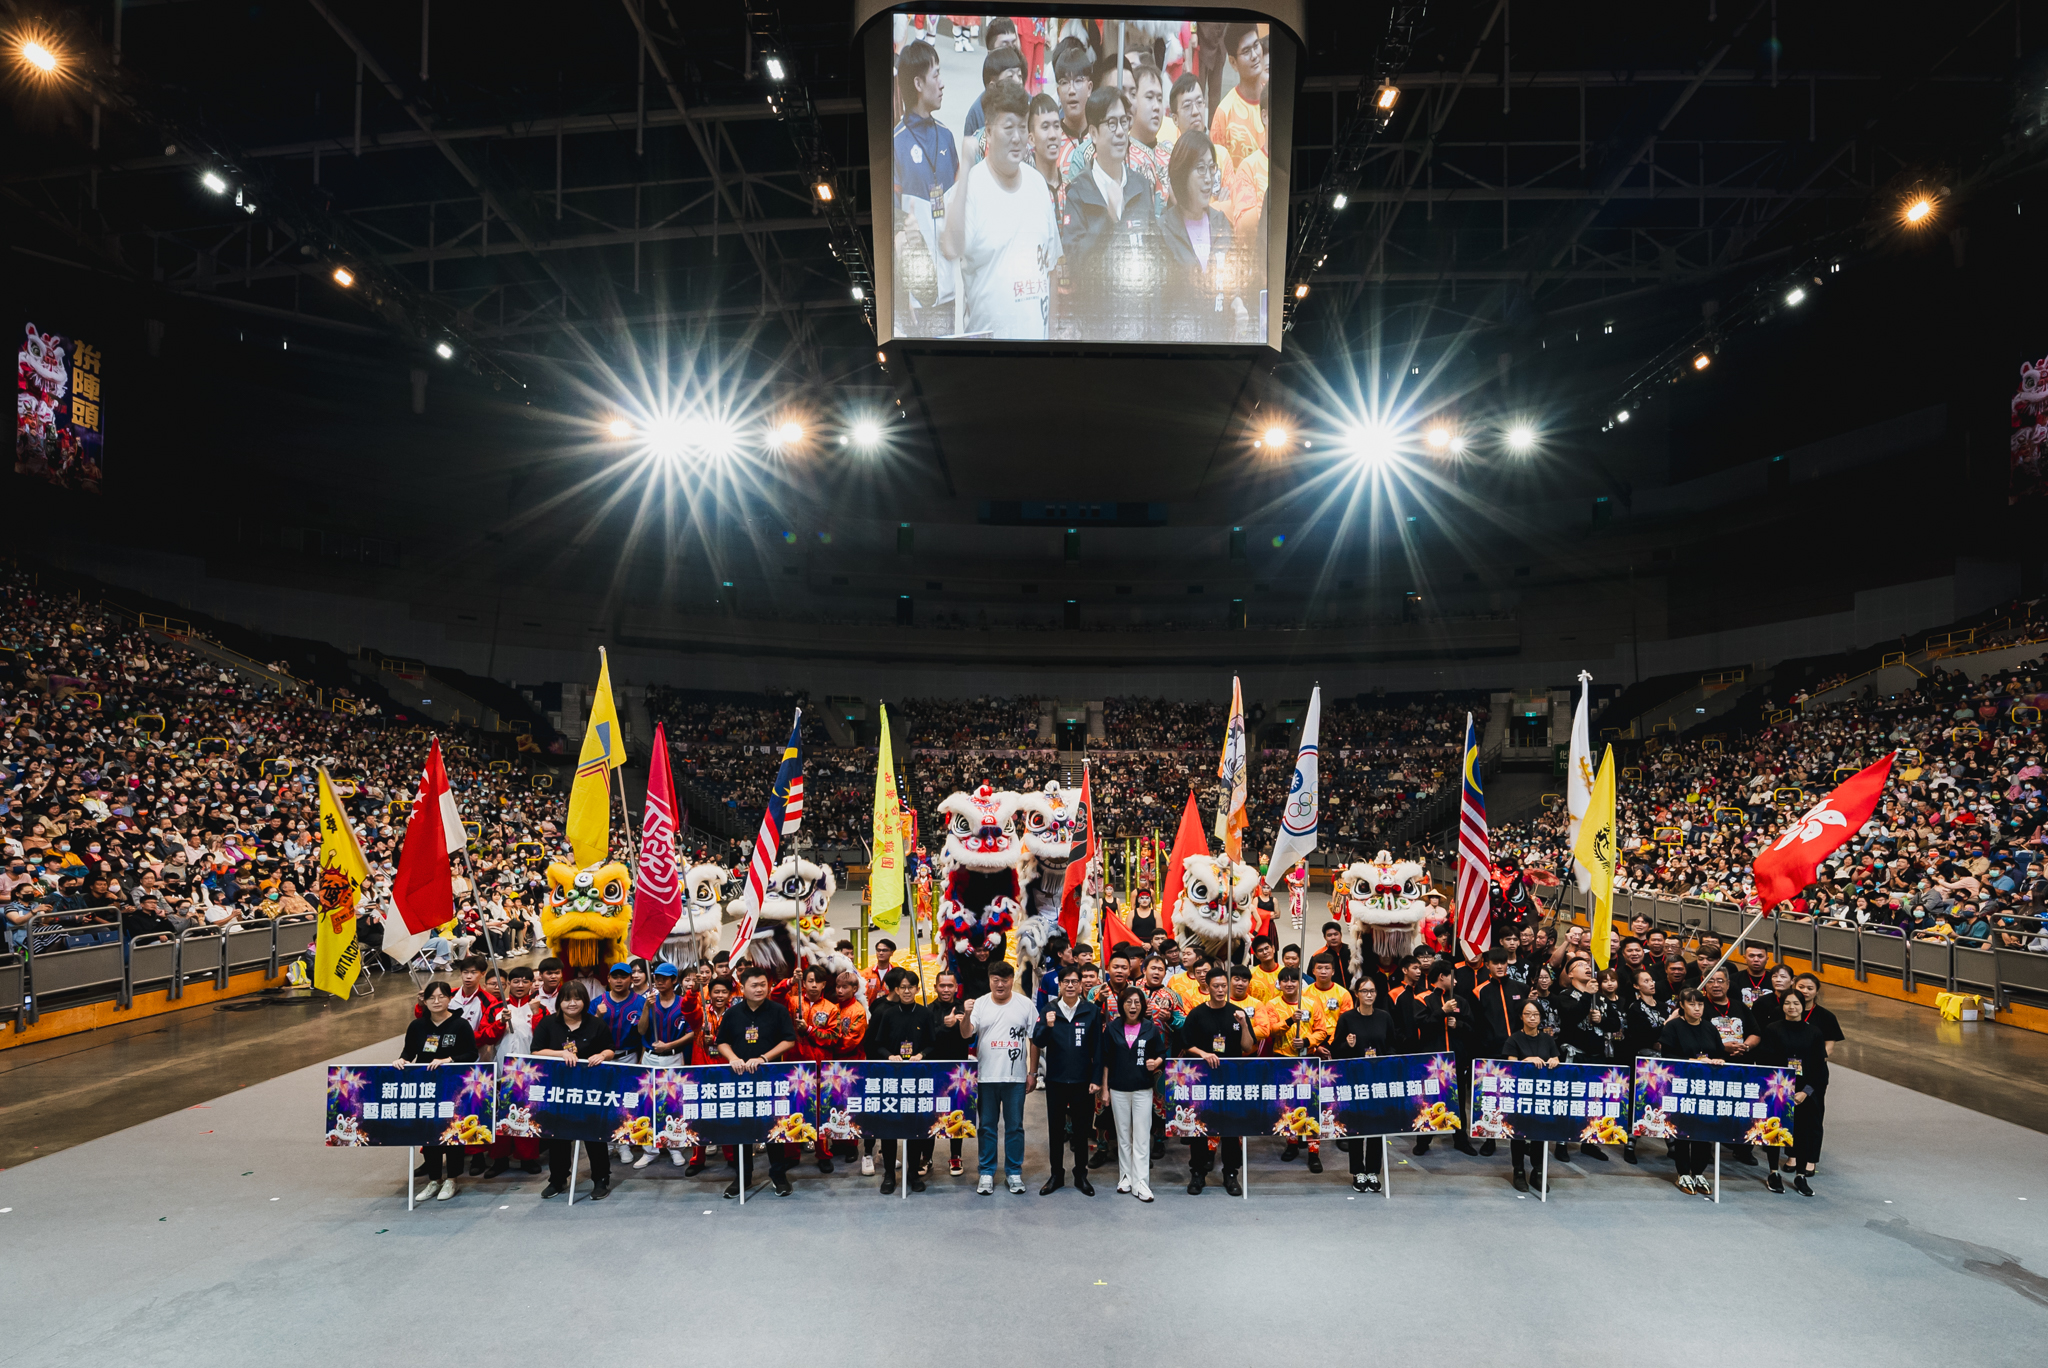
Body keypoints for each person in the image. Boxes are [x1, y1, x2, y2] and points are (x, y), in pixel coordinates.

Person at [941, 79, 1059, 340]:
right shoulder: (970, 188)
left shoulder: (1038, 184)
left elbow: (1051, 268)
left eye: (1021, 127)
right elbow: (950, 248)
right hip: (988, 356)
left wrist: (1051, 341)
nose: (1017, 138)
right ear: (989, 130)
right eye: (1008, 128)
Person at [1055, 87, 1160, 341]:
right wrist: (1109, 219)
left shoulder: (1140, 186)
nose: (1121, 132)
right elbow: (1076, 263)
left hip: (1140, 326)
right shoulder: (1079, 192)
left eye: (1124, 121)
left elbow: (1155, 254)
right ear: (1093, 133)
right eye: (1111, 124)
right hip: (1097, 329)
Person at [715, 965, 799, 1198]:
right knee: (741, 1128)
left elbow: (789, 1040)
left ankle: (779, 1175)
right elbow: (721, 1041)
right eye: (754, 985)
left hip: (770, 1077)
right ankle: (743, 1177)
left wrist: (763, 1058)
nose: (760, 989)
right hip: (741, 1079)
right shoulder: (733, 1013)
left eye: (763, 984)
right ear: (742, 988)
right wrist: (733, 1058)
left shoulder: (778, 1011)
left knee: (774, 1126)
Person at [892, 38, 958, 328]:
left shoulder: (947, 137)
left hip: (955, 290)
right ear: (918, 84)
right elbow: (894, 225)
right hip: (918, 297)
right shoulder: (895, 144)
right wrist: (907, 287)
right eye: (936, 75)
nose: (942, 83)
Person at [530, 981, 617, 1201]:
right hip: (557, 1089)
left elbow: (610, 1049)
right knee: (558, 1135)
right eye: (567, 999)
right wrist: (561, 1054)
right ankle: (558, 1179)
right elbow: (536, 1051)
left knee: (594, 1135)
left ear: (584, 1001)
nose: (572, 1003)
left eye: (577, 999)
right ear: (560, 1002)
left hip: (590, 1090)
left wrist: (603, 1055)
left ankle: (601, 1179)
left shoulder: (596, 1024)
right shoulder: (548, 1023)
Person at [394, 980, 478, 1202]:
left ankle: (452, 1179)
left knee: (451, 1131)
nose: (437, 1001)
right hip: (426, 1087)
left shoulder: (460, 1025)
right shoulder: (417, 1026)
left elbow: (471, 1054)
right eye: (431, 997)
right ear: (425, 1001)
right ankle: (434, 1180)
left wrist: (448, 1059)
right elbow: (409, 1051)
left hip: (452, 1087)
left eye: (441, 996)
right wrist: (401, 1061)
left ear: (450, 999)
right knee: (428, 1132)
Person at [1177, 967, 1257, 1195]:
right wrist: (1203, 1053)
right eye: (1216, 986)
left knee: (1231, 1128)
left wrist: (1243, 1024)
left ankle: (1231, 1174)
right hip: (1202, 1080)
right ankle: (1198, 1174)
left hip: (1231, 1080)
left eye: (1224, 986)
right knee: (1199, 1127)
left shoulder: (1238, 1012)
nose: (1221, 990)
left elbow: (1246, 1046)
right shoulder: (1197, 1014)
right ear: (1207, 987)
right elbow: (1185, 1043)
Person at [962, 960, 1037, 1194]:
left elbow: (1035, 1039)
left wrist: (1032, 1072)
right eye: (996, 980)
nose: (1000, 984)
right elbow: (966, 1033)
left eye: (1005, 980)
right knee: (987, 1127)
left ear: (1012, 980)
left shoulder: (1025, 1005)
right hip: (986, 1078)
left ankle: (1014, 1173)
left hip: (1015, 1079)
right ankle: (986, 1172)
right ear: (989, 980)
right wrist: (966, 1014)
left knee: (1015, 1127)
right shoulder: (980, 1004)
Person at [1029, 965, 1102, 1195]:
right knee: (1056, 1130)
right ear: (1059, 985)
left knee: (1081, 1131)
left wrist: (1096, 1078)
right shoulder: (1049, 1009)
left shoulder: (1091, 1010)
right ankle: (1056, 1175)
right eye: (1066, 982)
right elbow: (1038, 1041)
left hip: (1083, 1081)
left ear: (1081, 985)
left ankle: (1080, 1174)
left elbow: (1098, 1048)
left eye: (1074, 981)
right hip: (1056, 1081)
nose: (1070, 985)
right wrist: (1048, 1026)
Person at [864, 966, 936, 1194]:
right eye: (902, 987)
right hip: (891, 1077)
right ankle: (888, 1175)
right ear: (896, 989)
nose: (906, 991)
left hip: (915, 1077)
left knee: (914, 1127)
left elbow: (933, 1044)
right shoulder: (887, 1013)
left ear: (916, 989)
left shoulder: (924, 1014)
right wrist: (889, 1055)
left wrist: (921, 1055)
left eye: (910, 987)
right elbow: (877, 1044)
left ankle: (913, 1173)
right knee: (890, 1127)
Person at [1096, 984, 1166, 1200]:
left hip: (1142, 1089)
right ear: (1121, 1005)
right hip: (1118, 1089)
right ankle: (1125, 1177)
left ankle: (1141, 1182)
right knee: (1123, 1135)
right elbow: (1106, 1061)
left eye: (1137, 1002)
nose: (1133, 1006)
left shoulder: (1150, 1028)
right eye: (1128, 1002)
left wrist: (1156, 1062)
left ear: (1143, 1005)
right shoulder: (1112, 1028)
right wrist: (1105, 1090)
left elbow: (1161, 1054)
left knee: (1142, 1135)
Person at [1756, 990, 1829, 1195]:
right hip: (1777, 1090)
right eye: (1787, 1003)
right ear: (1782, 1006)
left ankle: (1801, 1176)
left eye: (1796, 1003)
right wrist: (1780, 1090)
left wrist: (1806, 1092)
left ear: (1802, 1005)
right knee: (1774, 1132)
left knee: (1803, 1133)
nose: (1792, 1007)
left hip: (1804, 1093)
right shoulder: (1772, 1029)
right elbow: (1765, 1062)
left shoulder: (1814, 1032)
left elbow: (1819, 1068)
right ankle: (1773, 1172)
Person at [1657, 988, 1727, 1195]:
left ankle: (1698, 1172)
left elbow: (1720, 1053)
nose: (1697, 1008)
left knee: (1703, 1130)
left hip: (1706, 1087)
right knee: (1683, 1130)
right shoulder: (1673, 1027)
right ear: (1682, 1006)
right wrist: (1691, 1061)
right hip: (1681, 1086)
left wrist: (1718, 1060)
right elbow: (1667, 1056)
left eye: (1700, 1004)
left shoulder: (1709, 1027)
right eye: (1692, 1004)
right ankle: (1683, 1173)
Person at [485, 965, 548, 1177]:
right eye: (516, 981)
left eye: (525, 981)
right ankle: (499, 1159)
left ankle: (527, 1158)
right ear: (508, 984)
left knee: (526, 1115)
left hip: (529, 1071)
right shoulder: (496, 1008)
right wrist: (499, 1024)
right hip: (501, 1070)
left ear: (532, 984)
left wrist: (537, 1013)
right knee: (499, 1115)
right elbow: (486, 1036)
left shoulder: (540, 1008)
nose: (520, 985)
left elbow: (544, 1037)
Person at [1330, 976, 1391, 1192]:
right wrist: (1346, 1045)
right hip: (1355, 1080)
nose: (1369, 995)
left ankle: (1373, 1171)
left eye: (1372, 991)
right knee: (1356, 1127)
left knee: (1376, 1127)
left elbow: (1392, 1047)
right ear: (1357, 994)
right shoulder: (1347, 1018)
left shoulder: (1384, 1017)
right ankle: (1358, 1171)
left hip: (1379, 1080)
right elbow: (1335, 1051)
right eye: (1364, 991)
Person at [1503, 999, 1560, 1193]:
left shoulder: (1547, 1039)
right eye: (1528, 1014)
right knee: (1517, 1131)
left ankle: (1537, 1171)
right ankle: (1518, 1170)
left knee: (1541, 1131)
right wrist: (1526, 1060)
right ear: (1521, 1017)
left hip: (1543, 1094)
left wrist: (1553, 1060)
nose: (1532, 1018)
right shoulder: (1514, 1039)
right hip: (1521, 1093)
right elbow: (1511, 1066)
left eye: (1535, 1014)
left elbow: (1556, 1057)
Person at [926, 970, 973, 1176]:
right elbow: (926, 1040)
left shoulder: (965, 1008)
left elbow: (970, 1039)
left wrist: (961, 1021)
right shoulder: (928, 1010)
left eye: (950, 986)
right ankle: (926, 1158)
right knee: (931, 1114)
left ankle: (955, 1157)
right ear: (935, 987)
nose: (946, 990)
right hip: (934, 1069)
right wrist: (944, 1027)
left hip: (958, 1071)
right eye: (942, 985)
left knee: (957, 1114)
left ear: (956, 987)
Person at [1207, 22, 1267, 172]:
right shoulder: (1223, 114)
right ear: (1233, 63)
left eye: (1256, 45)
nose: (1254, 55)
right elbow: (1217, 174)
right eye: (1246, 51)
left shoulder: (1276, 100)